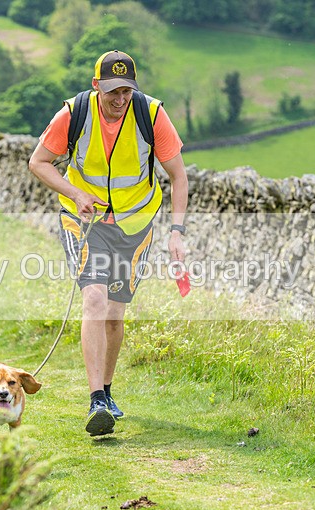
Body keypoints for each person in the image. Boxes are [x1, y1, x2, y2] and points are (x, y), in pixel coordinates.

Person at [28, 50, 188, 437]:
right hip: (84, 222)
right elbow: (38, 162)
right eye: (113, 91)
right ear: (96, 85)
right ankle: (96, 398)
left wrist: (176, 232)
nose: (120, 99)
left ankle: (109, 391)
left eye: (127, 91)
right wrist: (75, 193)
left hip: (136, 225)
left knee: (115, 313)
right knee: (95, 298)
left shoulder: (151, 115)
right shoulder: (73, 113)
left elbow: (178, 178)